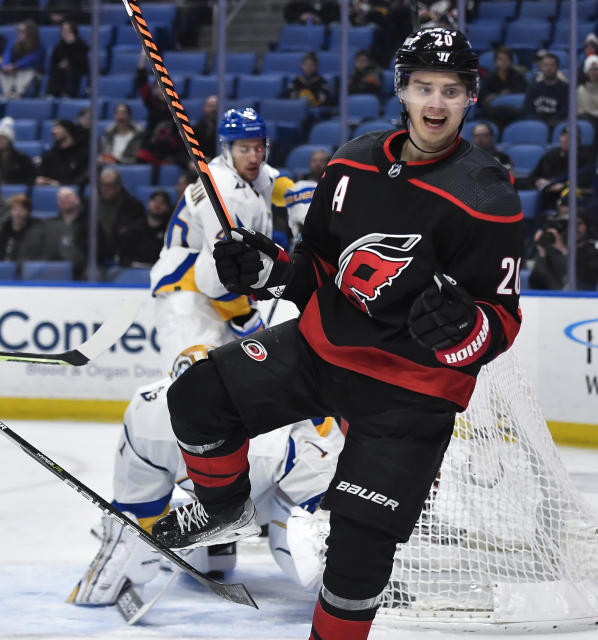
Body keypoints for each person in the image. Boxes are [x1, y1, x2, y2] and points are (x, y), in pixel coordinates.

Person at [150, 26, 522, 640]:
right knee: (196, 397)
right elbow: (315, 264)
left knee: (356, 556)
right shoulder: (353, 159)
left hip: (412, 393)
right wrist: (268, 269)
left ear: (470, 98)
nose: (435, 104)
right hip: (320, 351)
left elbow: (502, 319)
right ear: (402, 90)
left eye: (450, 91)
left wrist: (463, 332)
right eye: (424, 88)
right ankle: (223, 511)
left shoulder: (487, 197)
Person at [68, 345, 345, 607]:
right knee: (195, 554)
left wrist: (326, 528)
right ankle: (216, 547)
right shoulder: (147, 417)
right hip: (215, 506)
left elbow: (328, 502)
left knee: (311, 565)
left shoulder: (280, 435)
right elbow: (137, 512)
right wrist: (131, 564)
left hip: (277, 495)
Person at [148, 107, 292, 372]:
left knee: (234, 385)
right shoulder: (224, 191)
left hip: (219, 295)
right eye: (244, 149)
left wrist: (296, 199)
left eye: (258, 149)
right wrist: (246, 319)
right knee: (195, 378)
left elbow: (274, 180)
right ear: (228, 149)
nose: (253, 158)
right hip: (189, 294)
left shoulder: (241, 171)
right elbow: (215, 276)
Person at [35, 119, 88, 186]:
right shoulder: (49, 155)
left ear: (68, 130)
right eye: (53, 128)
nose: (53, 131)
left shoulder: (82, 155)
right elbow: (41, 175)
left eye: (58, 128)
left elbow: (82, 180)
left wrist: (60, 184)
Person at [0, 20, 44, 99]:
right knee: (3, 72)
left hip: (28, 71)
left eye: (22, 31)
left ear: (30, 33)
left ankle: (18, 94)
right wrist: (5, 65)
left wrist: (16, 65)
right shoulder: (14, 43)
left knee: (28, 74)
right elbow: (7, 54)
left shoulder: (37, 45)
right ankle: (7, 93)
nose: (18, 33)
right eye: (18, 31)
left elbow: (32, 59)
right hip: (13, 71)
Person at [45, 20, 88, 98]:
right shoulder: (59, 46)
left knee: (71, 71)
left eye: (67, 31)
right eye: (63, 31)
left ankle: (68, 94)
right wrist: (61, 64)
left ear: (73, 31)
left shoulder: (80, 45)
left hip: (76, 69)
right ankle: (51, 94)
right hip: (61, 70)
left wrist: (71, 44)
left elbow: (82, 62)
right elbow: (54, 61)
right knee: (58, 70)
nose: (64, 33)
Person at [0, 193, 46, 263]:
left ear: (27, 211)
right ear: (10, 211)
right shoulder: (4, 228)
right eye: (15, 209)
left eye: (22, 210)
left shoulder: (34, 230)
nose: (18, 213)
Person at [0, 116, 36, 184]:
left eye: (3, 138)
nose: (0, 141)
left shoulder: (22, 158)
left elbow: (31, 179)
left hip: (17, 192)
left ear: (10, 140)